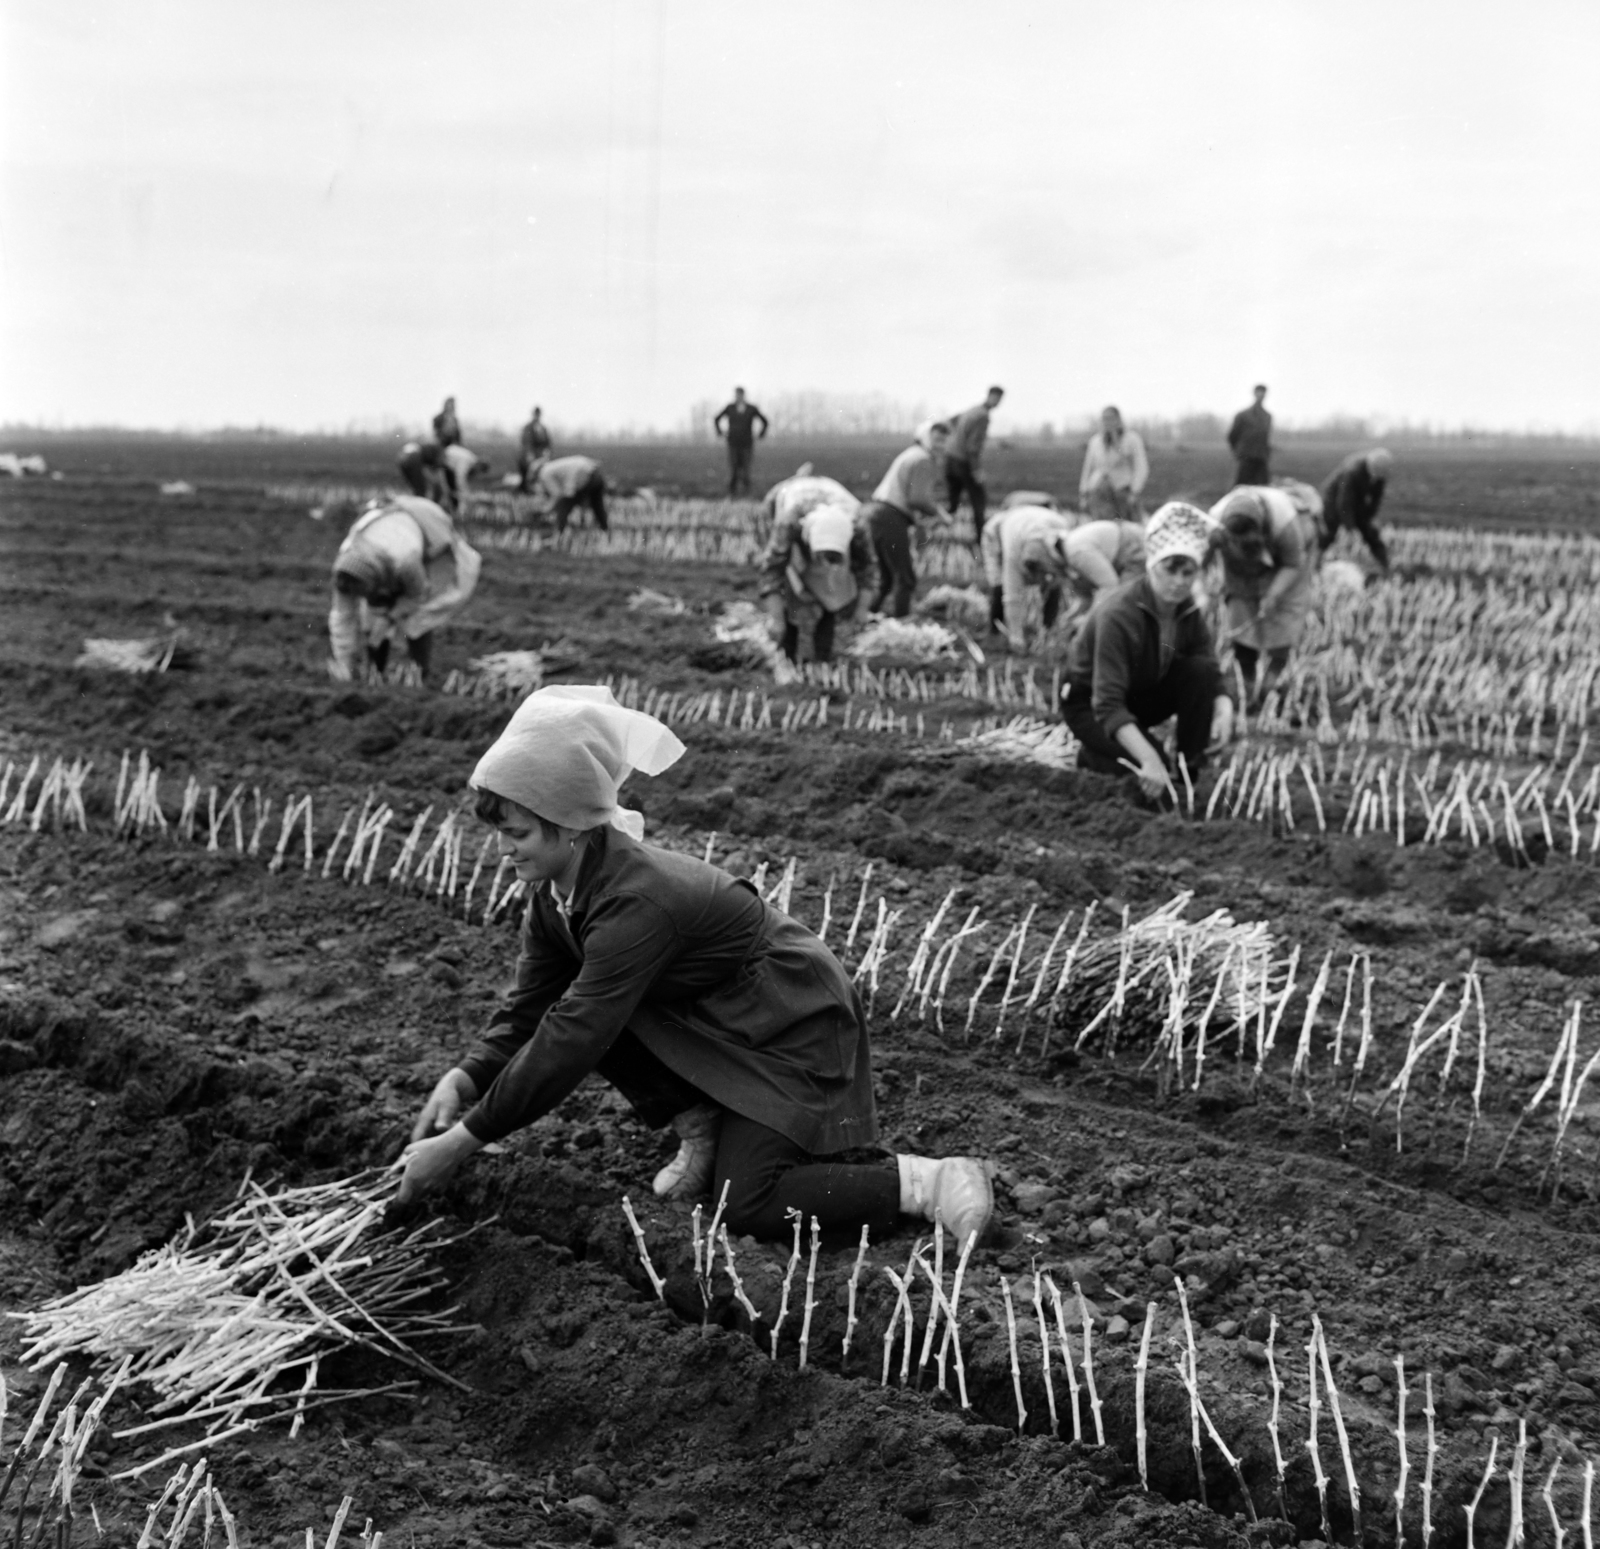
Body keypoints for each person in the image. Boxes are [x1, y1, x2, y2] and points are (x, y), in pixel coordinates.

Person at [394, 685, 995, 1247]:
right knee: (586, 1009)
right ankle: (703, 1124)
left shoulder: (635, 900)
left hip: (790, 1023)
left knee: (749, 1205)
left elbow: (572, 1037)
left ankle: (926, 1183)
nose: (503, 850)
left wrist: (463, 1140)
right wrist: (467, 1078)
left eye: (517, 832)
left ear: (570, 823)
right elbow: (533, 1007)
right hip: (718, 1014)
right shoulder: (559, 894)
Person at [1060, 502, 1236, 801]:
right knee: (1151, 765)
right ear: (1153, 565)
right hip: (1088, 704)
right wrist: (1150, 760)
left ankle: (1187, 772)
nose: (1179, 582)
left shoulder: (1187, 609)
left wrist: (1224, 707)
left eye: (1188, 572)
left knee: (1199, 673)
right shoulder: (1119, 615)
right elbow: (1107, 704)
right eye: (1170, 570)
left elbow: (1206, 663)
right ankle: (1094, 757)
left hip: (1137, 692)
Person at [327, 495, 482, 682]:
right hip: (390, 538)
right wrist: (345, 662)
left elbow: (417, 595)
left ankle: (420, 672)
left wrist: (391, 616)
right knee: (373, 615)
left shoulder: (406, 559)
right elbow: (342, 616)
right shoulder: (346, 568)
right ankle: (375, 672)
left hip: (428, 535)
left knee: (419, 618)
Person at [1209, 484, 1318, 702]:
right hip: (1239, 570)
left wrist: (1273, 594)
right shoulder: (1214, 522)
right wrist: (1208, 588)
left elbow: (1293, 564)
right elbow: (1204, 557)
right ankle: (1246, 684)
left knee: (1285, 612)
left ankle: (1273, 682)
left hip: (1288, 560)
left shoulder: (1287, 524)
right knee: (1240, 612)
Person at [758, 499, 872, 663]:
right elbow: (771, 572)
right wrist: (776, 619)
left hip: (829, 528)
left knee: (830, 596)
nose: (827, 565)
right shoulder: (789, 523)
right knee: (792, 597)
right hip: (789, 515)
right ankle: (788, 653)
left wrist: (862, 609)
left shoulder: (858, 526)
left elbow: (868, 569)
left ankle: (821, 655)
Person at [859, 420, 954, 617]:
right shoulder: (923, 460)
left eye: (944, 441)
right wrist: (940, 514)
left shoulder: (911, 454)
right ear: (925, 437)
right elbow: (918, 498)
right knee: (906, 578)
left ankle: (866, 617)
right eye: (936, 440)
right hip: (890, 516)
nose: (941, 446)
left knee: (886, 578)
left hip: (876, 513)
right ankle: (901, 624)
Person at [981, 502, 1073, 649]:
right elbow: (1012, 596)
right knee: (999, 583)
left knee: (1053, 586)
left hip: (1031, 520)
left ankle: (1047, 630)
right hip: (996, 534)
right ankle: (994, 632)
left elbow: (1061, 577)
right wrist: (1016, 635)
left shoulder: (1062, 537)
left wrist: (1051, 580)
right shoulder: (1013, 554)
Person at [945, 386, 1004, 539]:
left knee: (952, 505)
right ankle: (981, 539)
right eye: (997, 398)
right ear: (991, 396)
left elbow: (951, 421)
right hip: (963, 463)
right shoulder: (983, 416)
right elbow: (973, 448)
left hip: (950, 460)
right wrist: (976, 471)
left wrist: (955, 440)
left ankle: (931, 531)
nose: (997, 402)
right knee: (979, 501)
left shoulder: (972, 410)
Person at [1320, 449, 1394, 571]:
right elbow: (1344, 502)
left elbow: (1375, 500)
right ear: (1371, 466)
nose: (1378, 475)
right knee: (1328, 533)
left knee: (1371, 533)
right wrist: (1350, 527)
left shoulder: (1380, 476)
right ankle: (1314, 563)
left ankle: (1385, 566)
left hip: (1357, 501)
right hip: (1333, 500)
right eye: (1376, 471)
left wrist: (1369, 518)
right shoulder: (1353, 471)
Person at [1078, 406, 1149, 521]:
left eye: (1111, 418)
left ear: (1118, 419)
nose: (1108, 422)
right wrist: (1083, 493)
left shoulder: (1131, 440)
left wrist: (1135, 491)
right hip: (1099, 493)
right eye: (1105, 419)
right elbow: (1088, 469)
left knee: (1127, 527)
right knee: (1103, 527)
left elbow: (1141, 467)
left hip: (1123, 492)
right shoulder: (1095, 442)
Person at [1060, 519, 1148, 609]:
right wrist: (1070, 617)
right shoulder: (1069, 556)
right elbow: (1086, 599)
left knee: (1125, 601)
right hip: (1125, 548)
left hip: (1134, 546)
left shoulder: (1077, 553)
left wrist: (1090, 619)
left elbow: (1110, 587)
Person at [524, 454, 610, 532]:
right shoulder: (552, 467)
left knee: (564, 505)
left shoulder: (544, 473)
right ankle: (605, 529)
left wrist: (546, 509)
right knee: (597, 505)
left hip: (583, 475)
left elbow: (557, 494)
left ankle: (559, 532)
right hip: (595, 474)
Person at [713, 388, 770, 497]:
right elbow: (716, 419)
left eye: (740, 395)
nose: (738, 397)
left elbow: (765, 421)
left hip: (747, 444)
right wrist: (720, 432)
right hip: (733, 443)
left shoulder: (751, 409)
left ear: (744, 395)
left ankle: (747, 494)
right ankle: (732, 493)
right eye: (737, 395)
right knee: (734, 469)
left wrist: (761, 434)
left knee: (746, 470)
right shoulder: (730, 408)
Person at [1227, 385, 1272, 486]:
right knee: (1240, 486)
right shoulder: (1243, 415)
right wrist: (1238, 452)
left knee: (1263, 487)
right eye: (1258, 392)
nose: (1261, 395)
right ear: (1254, 394)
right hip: (1246, 457)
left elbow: (1265, 438)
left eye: (1263, 393)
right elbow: (1232, 436)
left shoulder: (1267, 416)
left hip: (1261, 458)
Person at [397, 439, 449, 504]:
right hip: (412, 458)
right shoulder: (438, 451)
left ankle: (424, 504)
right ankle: (426, 506)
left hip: (403, 459)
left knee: (417, 489)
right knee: (420, 490)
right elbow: (436, 466)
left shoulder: (427, 449)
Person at [518, 409, 554, 491]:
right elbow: (527, 442)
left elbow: (547, 442)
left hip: (540, 456)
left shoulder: (543, 428)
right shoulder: (528, 428)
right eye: (536, 414)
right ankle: (526, 488)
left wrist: (547, 452)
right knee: (528, 474)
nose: (537, 416)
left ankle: (538, 488)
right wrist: (529, 454)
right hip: (530, 456)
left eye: (538, 415)